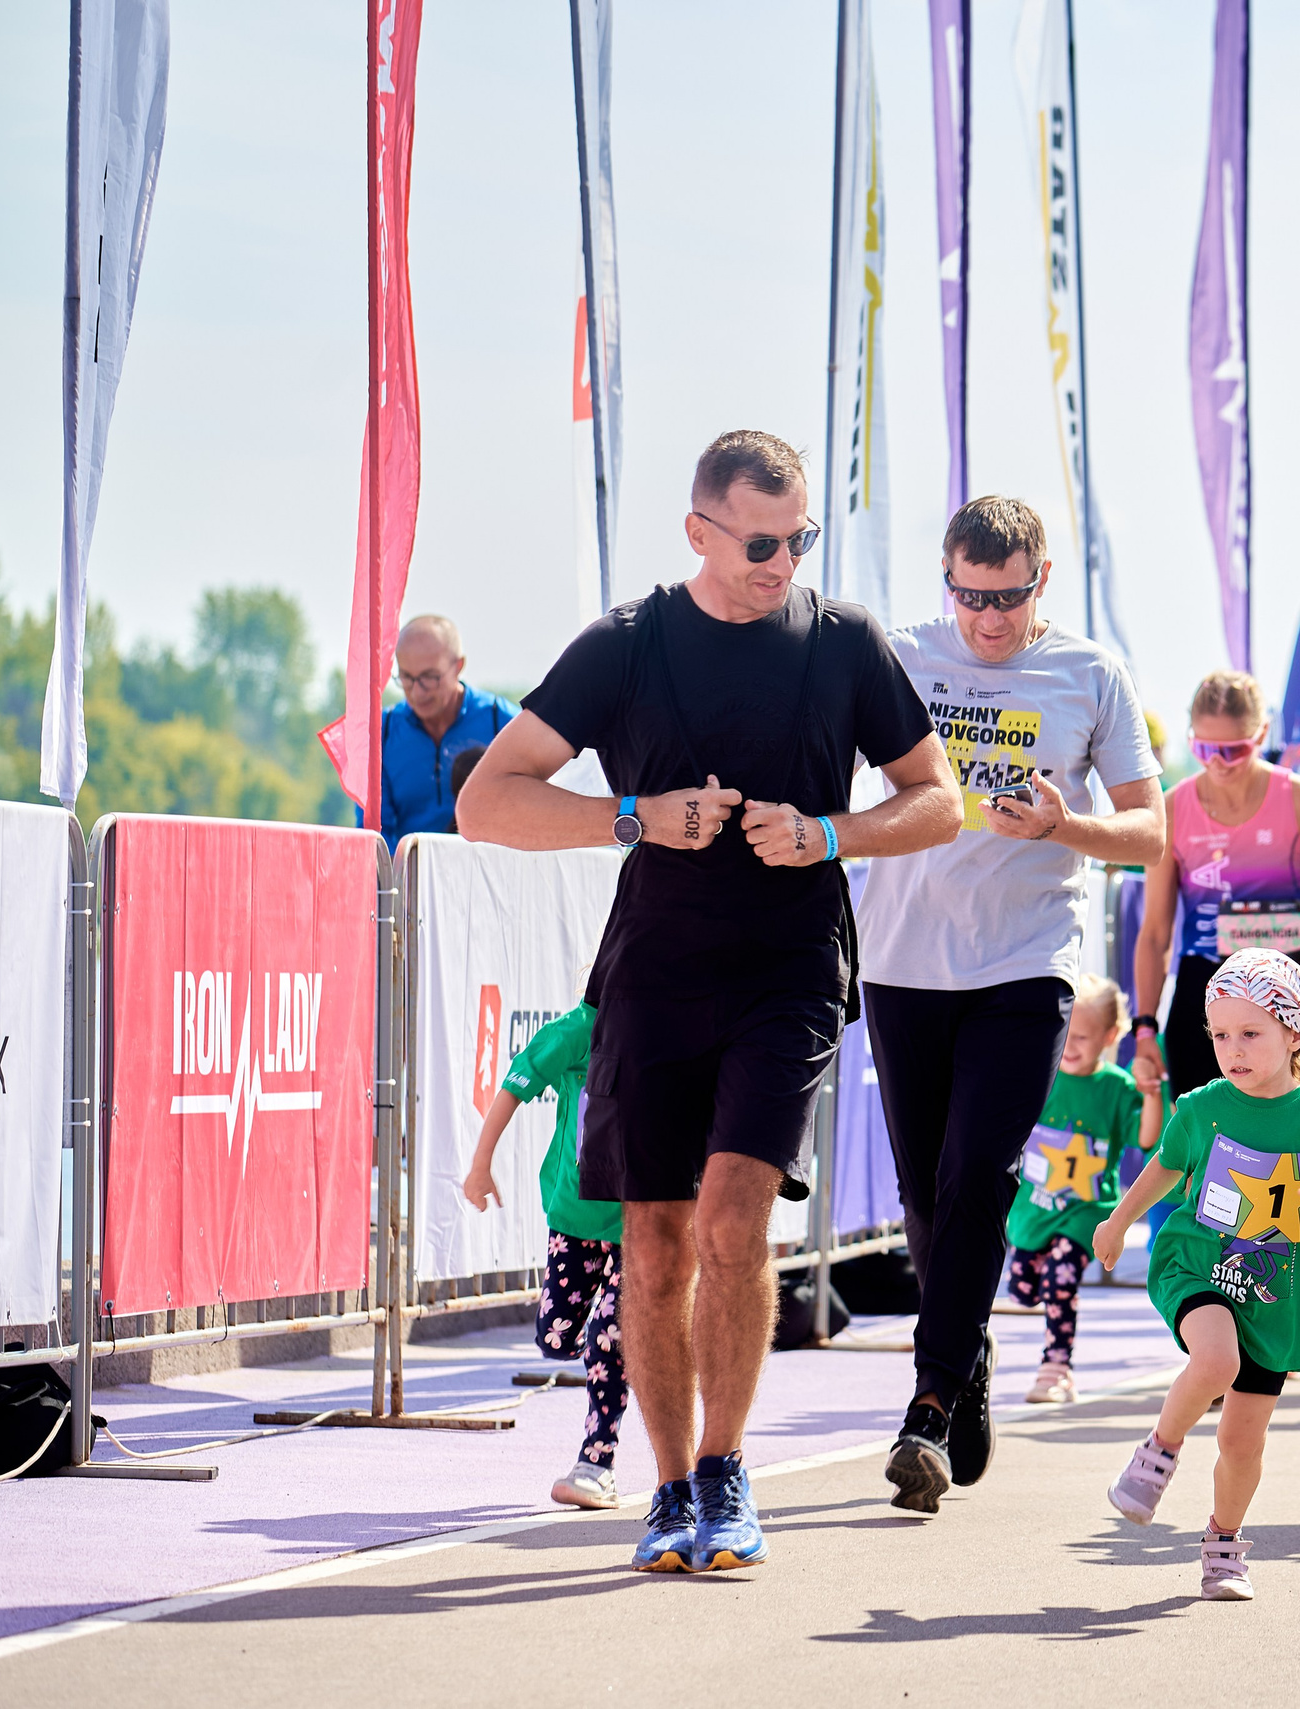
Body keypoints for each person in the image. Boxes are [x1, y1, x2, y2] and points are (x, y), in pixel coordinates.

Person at [456, 429, 957, 1573]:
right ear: (700, 531)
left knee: (736, 1219)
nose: (784, 561)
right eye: (762, 541)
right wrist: (632, 814)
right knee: (656, 1235)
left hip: (789, 969)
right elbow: (488, 801)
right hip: (654, 974)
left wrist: (828, 832)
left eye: (801, 539)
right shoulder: (627, 646)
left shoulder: (841, 644)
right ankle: (670, 1484)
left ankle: (729, 1476)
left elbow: (937, 801)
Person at [852, 495, 1165, 1513]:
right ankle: (971, 1346)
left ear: (1042, 583)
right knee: (926, 1198)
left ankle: (929, 1404)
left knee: (978, 1171)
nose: (988, 619)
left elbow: (1149, 832)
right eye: (971, 597)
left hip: (1025, 963)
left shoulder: (1088, 672)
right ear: (947, 580)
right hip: (903, 959)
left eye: (1009, 598)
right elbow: (828, 769)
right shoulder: (897, 656)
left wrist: (1065, 824)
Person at [1093, 950, 1300, 1601]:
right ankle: (1157, 1454)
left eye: (1249, 1033)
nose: (1232, 1048)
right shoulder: (1204, 1106)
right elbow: (1165, 1167)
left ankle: (1223, 1542)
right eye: (1220, 1034)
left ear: (1294, 1034)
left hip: (1274, 1296)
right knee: (1215, 1358)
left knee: (1243, 1439)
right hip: (1198, 1263)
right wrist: (1117, 1222)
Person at [1132, 672, 1300, 1105]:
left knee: (1292, 1150)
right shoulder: (1173, 807)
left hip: (1285, 994)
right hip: (1203, 997)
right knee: (1204, 1152)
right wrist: (1145, 1025)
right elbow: (1154, 933)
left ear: (1261, 735)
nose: (1218, 762)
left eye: (1233, 750)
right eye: (1204, 749)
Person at [459, 996, 625, 1511]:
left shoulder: (673, 1018)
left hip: (641, 1221)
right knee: (557, 1337)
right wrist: (480, 1163)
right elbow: (516, 1081)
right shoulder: (580, 1028)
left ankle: (597, 1463)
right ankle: (624, 1349)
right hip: (573, 1215)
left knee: (607, 1338)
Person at [1006, 975, 1159, 1405]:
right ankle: (1046, 1347)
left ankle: (1055, 1369)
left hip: (1086, 1212)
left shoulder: (1115, 1088)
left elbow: (1147, 1138)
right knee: (1023, 1289)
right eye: (1065, 1034)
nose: (1070, 1046)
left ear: (1111, 1036)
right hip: (1032, 1209)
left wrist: (1151, 1093)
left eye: (1084, 1037)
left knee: (1061, 1276)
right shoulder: (1042, 1074)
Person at [373, 614, 516, 847]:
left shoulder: (503, 724)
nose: (417, 692)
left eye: (430, 677)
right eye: (407, 678)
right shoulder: (383, 734)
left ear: (458, 666)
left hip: (489, 874)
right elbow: (375, 835)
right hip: (409, 877)